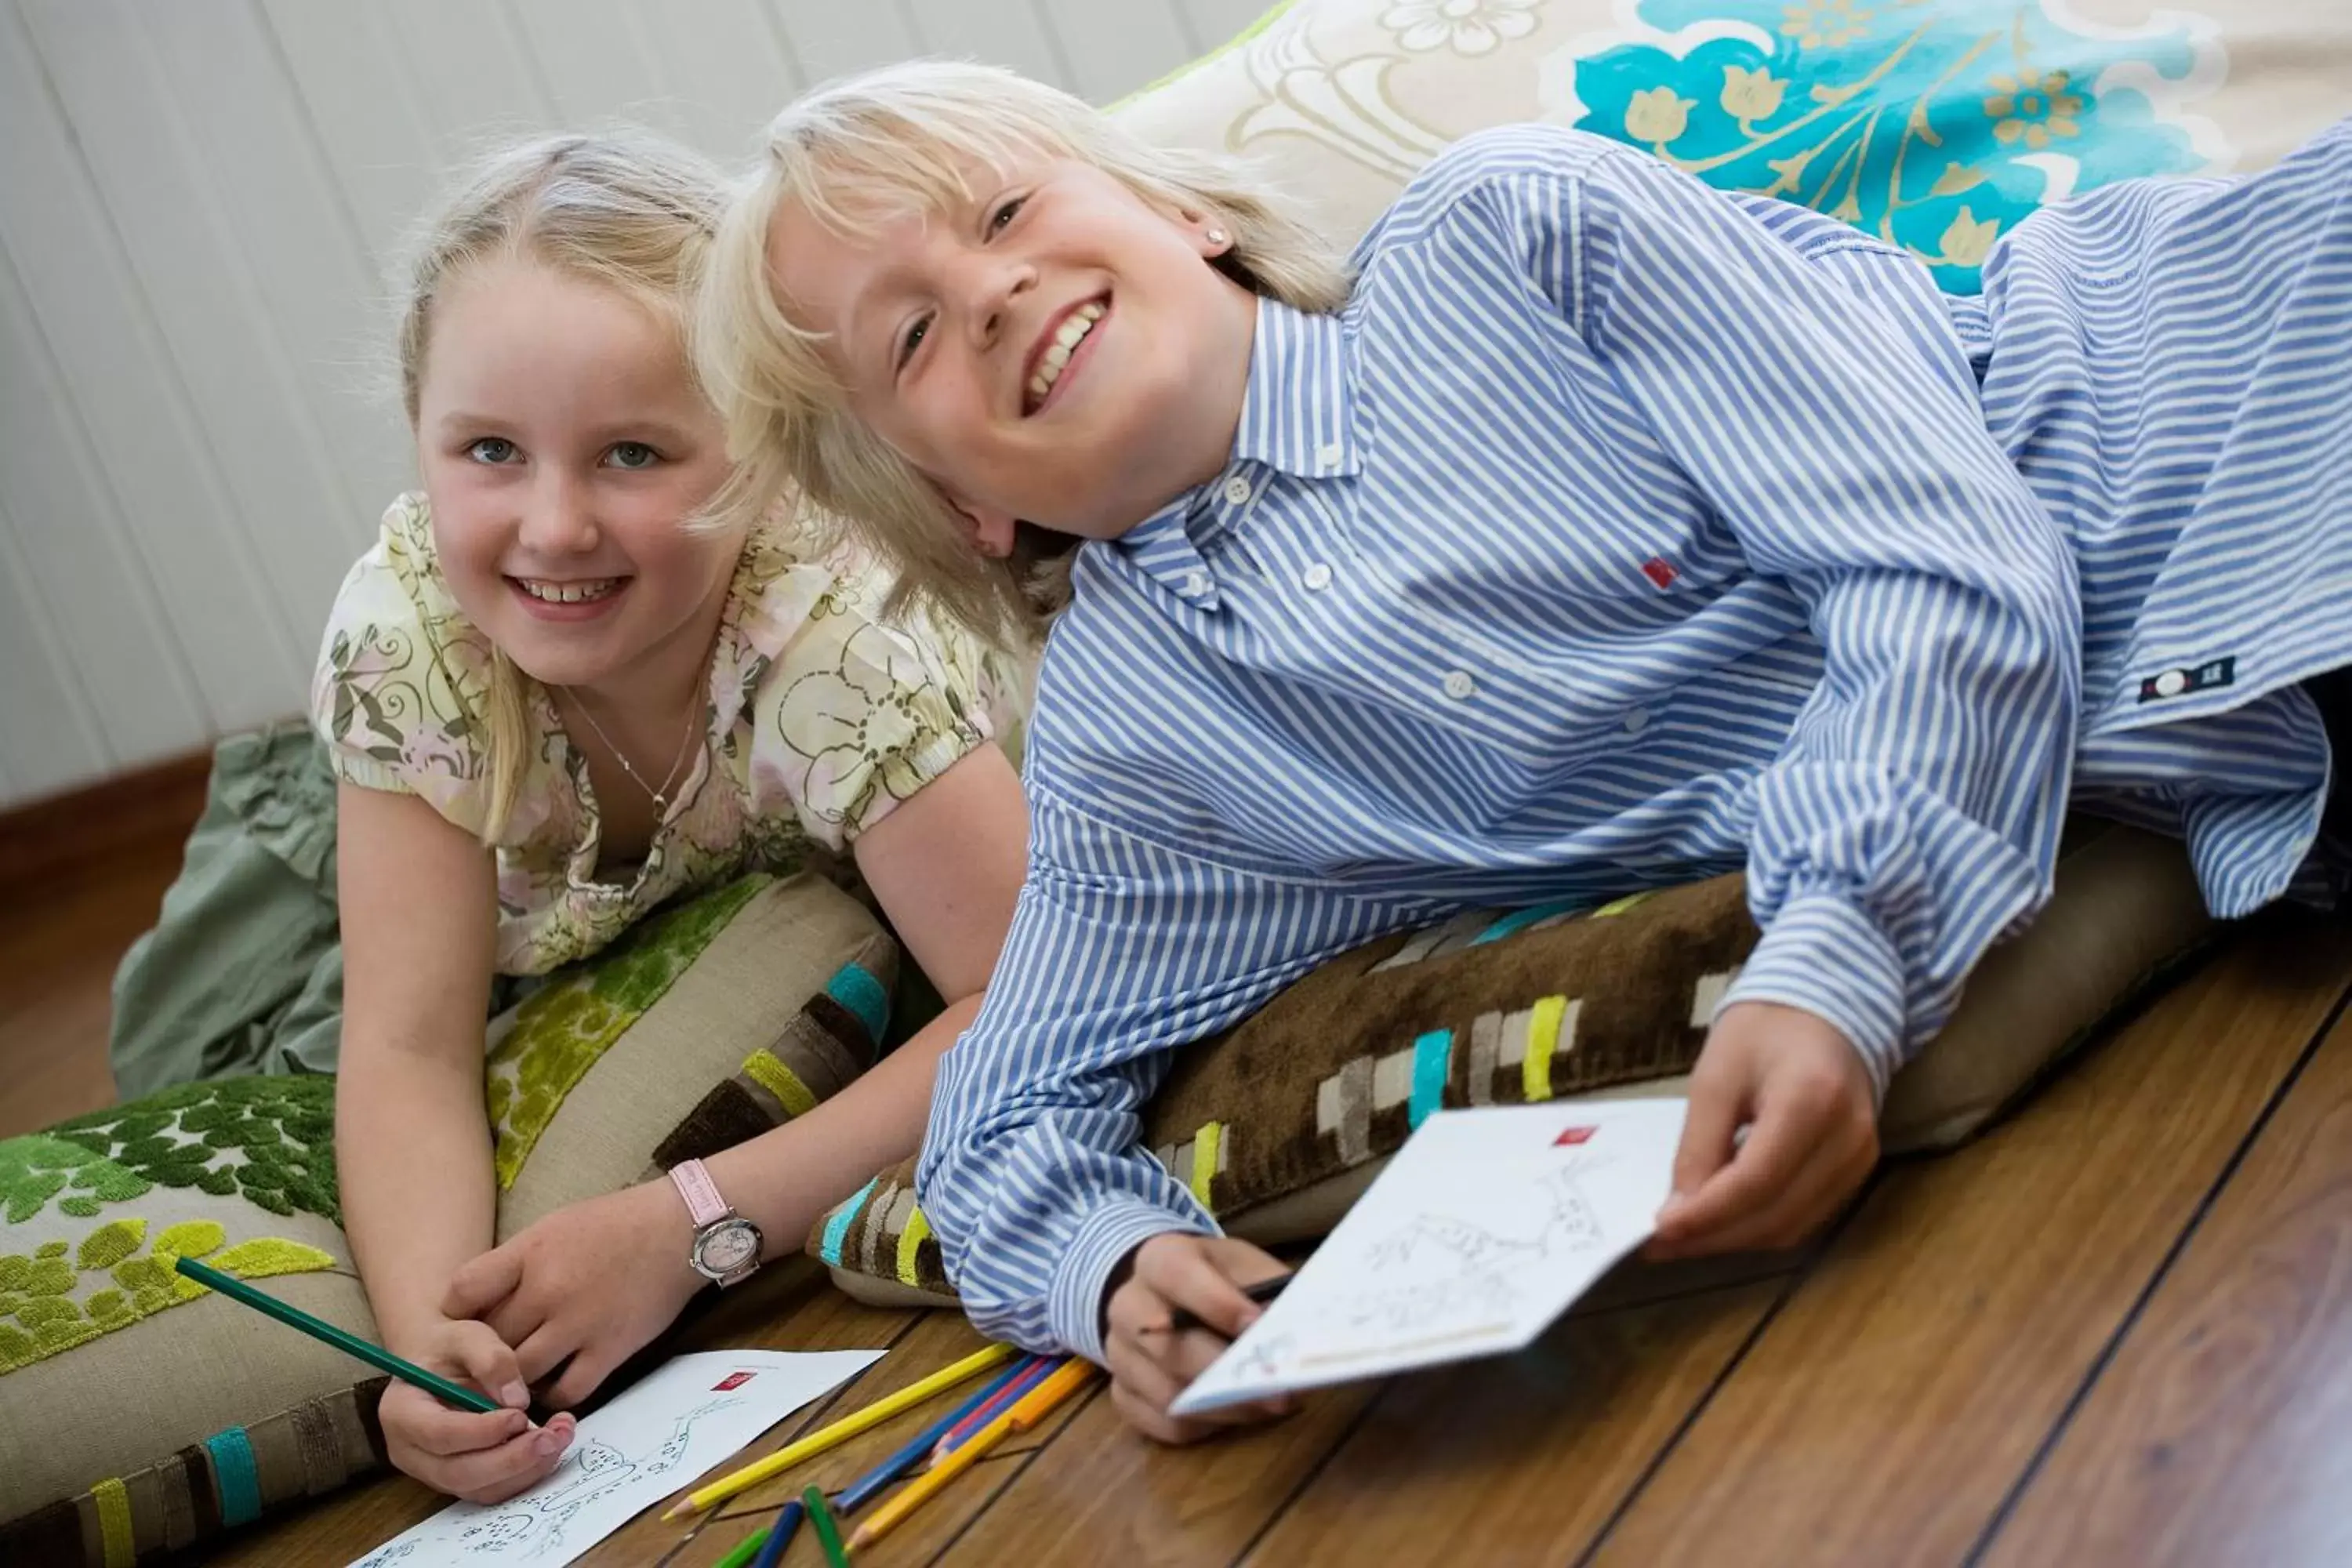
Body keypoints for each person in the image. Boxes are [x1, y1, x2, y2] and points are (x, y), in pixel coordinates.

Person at [695, 59, 2352, 1441]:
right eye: (907, 339)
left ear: (1182, 214)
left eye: (1005, 213)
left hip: (2247, 364)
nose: (987, 295)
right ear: (954, 504)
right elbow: (998, 1125)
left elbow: (1945, 568)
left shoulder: (1519, 232)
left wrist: (1840, 951)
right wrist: (1114, 1269)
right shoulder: (1147, 754)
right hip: (2277, 735)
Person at [110, 129, 1029, 1501]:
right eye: (488, 450)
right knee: (198, 1068)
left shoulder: (837, 649)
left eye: (632, 454)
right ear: (420, 439)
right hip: (342, 873)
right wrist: (435, 1340)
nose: (552, 527)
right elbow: (408, 1038)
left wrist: (695, 1222)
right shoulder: (414, 641)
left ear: (765, 453)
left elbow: (1022, 987)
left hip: (664, 859)